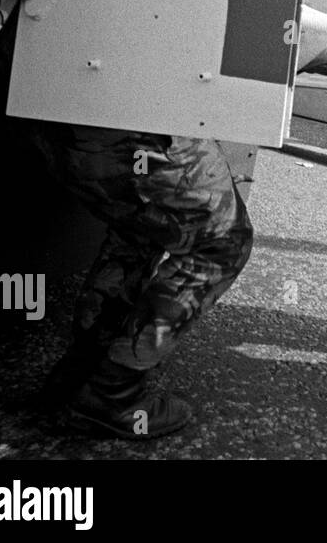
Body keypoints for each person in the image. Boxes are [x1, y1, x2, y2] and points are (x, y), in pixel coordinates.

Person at [32, 125, 253, 439]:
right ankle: (111, 394)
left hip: (58, 123)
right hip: (130, 128)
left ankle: (81, 372)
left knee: (142, 229)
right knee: (224, 243)